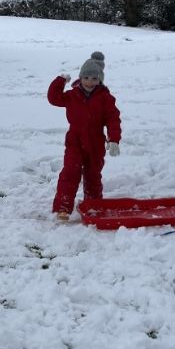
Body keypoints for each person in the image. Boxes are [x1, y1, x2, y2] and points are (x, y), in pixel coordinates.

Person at [47, 51, 121, 221]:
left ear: (100, 80)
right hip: (75, 140)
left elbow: (113, 119)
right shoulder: (72, 95)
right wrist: (60, 81)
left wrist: (114, 139)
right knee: (70, 172)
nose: (90, 82)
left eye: (94, 79)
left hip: (96, 142)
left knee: (93, 175)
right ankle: (63, 207)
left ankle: (93, 205)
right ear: (80, 78)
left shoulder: (105, 98)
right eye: (86, 78)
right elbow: (54, 98)